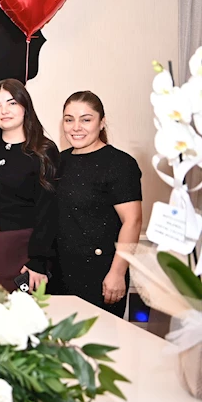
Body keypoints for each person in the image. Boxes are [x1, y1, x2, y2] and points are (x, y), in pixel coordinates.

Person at [52, 91, 142, 317]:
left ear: (101, 122)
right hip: (58, 271)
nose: (76, 127)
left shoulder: (120, 164)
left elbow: (132, 221)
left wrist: (118, 273)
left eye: (86, 119)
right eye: (69, 119)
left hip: (100, 275)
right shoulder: (57, 161)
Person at [0, 79, 59, 293]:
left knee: (22, 308)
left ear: (25, 106)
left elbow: (48, 210)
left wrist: (38, 261)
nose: (4, 111)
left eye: (12, 103)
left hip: (26, 248)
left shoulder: (44, 150)